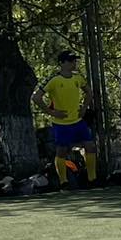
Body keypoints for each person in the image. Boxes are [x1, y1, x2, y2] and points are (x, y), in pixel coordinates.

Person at [37, 51, 97, 186]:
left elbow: (89, 92)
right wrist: (51, 112)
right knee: (62, 151)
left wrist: (84, 108)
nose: (73, 63)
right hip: (61, 124)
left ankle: (92, 179)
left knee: (90, 146)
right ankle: (63, 181)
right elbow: (36, 97)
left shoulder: (78, 78)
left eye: (74, 61)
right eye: (70, 61)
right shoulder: (54, 80)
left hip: (78, 121)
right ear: (62, 63)